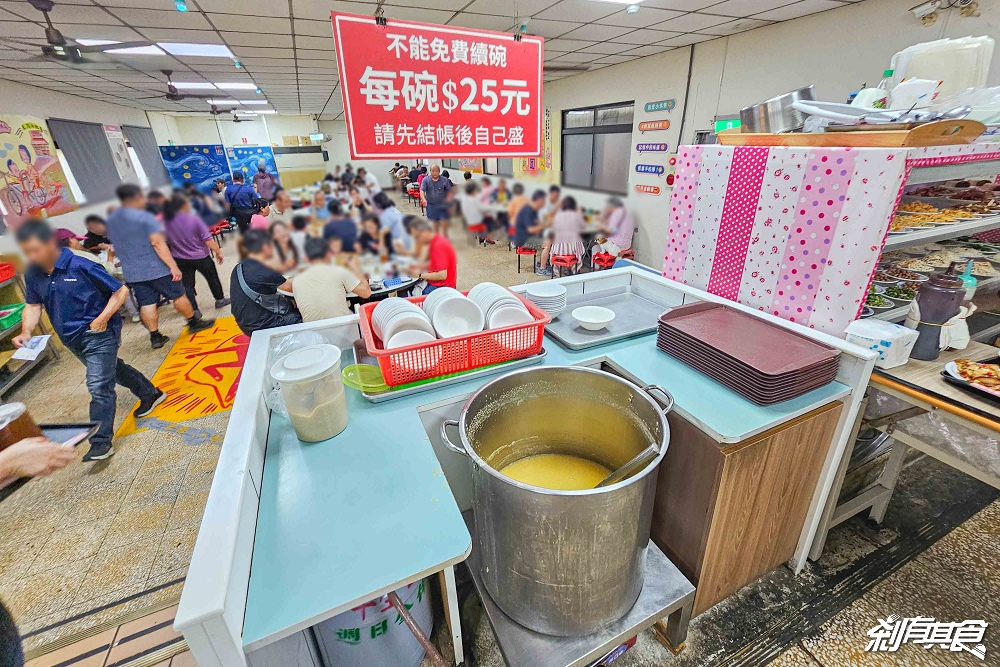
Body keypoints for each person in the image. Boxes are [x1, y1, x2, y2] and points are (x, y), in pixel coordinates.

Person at [15, 220, 166, 461]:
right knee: (112, 370)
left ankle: (100, 442)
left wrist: (103, 318)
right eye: (25, 251)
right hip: (71, 337)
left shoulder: (80, 264)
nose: (30, 256)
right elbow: (33, 305)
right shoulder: (33, 272)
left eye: (34, 249)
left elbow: (120, 291)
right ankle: (150, 393)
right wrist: (25, 331)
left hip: (99, 332)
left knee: (98, 385)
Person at [105, 184, 214, 349]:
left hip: (133, 273)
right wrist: (173, 266)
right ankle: (193, 322)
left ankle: (155, 336)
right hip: (157, 268)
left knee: (147, 303)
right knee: (179, 295)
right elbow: (157, 242)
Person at [162, 193, 229, 313]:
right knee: (212, 277)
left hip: (180, 258)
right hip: (201, 257)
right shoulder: (194, 220)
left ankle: (194, 309)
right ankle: (220, 300)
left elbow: (165, 243)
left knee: (187, 284)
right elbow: (207, 239)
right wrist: (218, 252)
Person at [230, 229, 301, 336]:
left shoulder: (239, 267)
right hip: (262, 325)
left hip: (244, 322)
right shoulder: (264, 269)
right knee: (303, 314)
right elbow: (293, 288)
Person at [292, 237, 372, 322]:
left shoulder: (296, 281)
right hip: (344, 328)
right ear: (328, 254)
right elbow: (366, 293)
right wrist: (356, 268)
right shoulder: (339, 271)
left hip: (314, 332)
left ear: (306, 258)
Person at [408, 217, 456, 292]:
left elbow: (442, 275)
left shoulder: (438, 246)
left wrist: (420, 276)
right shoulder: (432, 240)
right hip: (438, 282)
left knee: (410, 292)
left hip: (444, 286)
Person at [513, 189, 550, 275]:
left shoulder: (532, 208)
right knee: (547, 244)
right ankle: (542, 269)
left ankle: (542, 262)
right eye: (543, 201)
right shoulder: (528, 211)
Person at [550, 196, 586, 269]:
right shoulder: (577, 215)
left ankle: (561, 267)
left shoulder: (558, 215)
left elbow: (554, 228)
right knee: (579, 242)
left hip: (558, 248)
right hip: (573, 248)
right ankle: (573, 268)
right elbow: (583, 227)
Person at [420, 164, 453, 235]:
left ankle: (445, 236)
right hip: (431, 205)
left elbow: (450, 191)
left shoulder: (444, 180)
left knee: (444, 221)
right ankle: (436, 236)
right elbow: (422, 190)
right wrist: (423, 199)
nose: (435, 173)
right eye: (433, 171)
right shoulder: (425, 180)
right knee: (434, 222)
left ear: (439, 171)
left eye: (436, 171)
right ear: (430, 171)